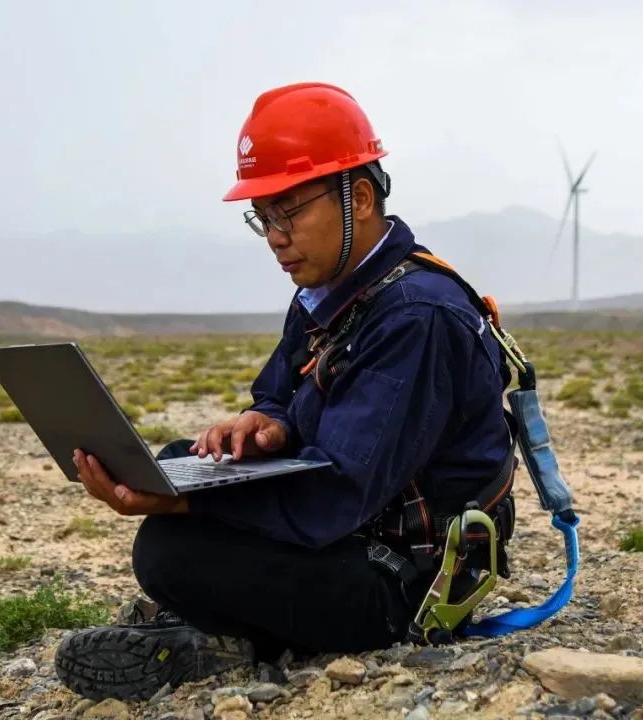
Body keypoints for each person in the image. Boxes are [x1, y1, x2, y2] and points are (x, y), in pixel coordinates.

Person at [54, 82, 516, 701]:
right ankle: (230, 623)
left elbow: (339, 493)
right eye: (263, 216)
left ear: (358, 196)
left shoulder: (415, 315)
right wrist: (265, 424)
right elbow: (277, 394)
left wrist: (185, 506)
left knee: (169, 548)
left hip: (404, 577)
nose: (275, 235)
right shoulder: (330, 293)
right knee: (177, 462)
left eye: (290, 209)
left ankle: (229, 643)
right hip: (356, 529)